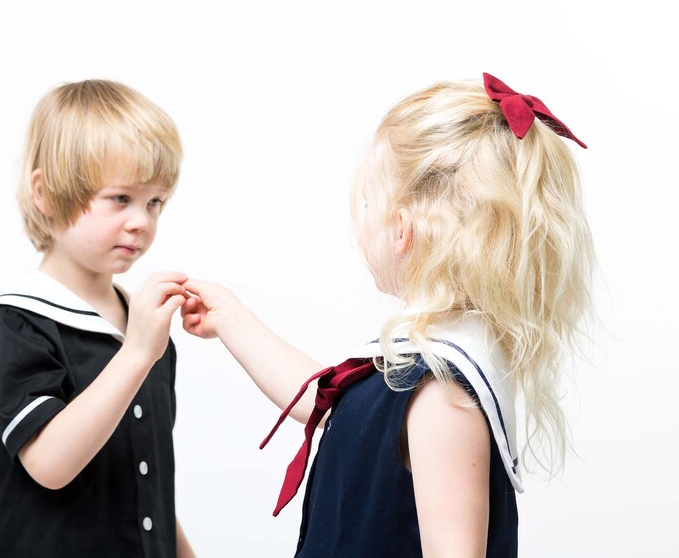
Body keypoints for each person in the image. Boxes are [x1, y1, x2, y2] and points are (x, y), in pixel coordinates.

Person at [180, 73, 593, 557]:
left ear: (402, 229)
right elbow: (334, 404)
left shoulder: (441, 392)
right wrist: (230, 317)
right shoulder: (426, 365)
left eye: (367, 204)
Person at [0, 80, 196, 558]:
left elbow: (143, 480)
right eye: (120, 199)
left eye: (155, 202)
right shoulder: (15, 323)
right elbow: (50, 463)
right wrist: (136, 353)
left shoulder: (142, 333)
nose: (143, 222)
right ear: (46, 193)